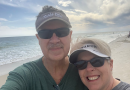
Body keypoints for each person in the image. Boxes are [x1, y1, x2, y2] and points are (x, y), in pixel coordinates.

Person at [0, 6, 88, 90]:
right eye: (45, 33)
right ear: (38, 38)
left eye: (61, 32)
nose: (54, 40)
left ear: (70, 36)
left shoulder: (85, 70)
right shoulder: (24, 75)